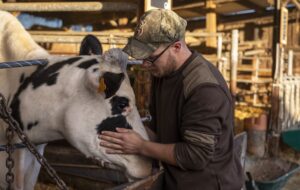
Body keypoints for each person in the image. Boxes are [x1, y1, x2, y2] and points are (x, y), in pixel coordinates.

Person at [99, 9, 244, 190]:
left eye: (150, 58)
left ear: (176, 47)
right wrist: (130, 125)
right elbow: (161, 130)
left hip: (208, 184)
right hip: (176, 180)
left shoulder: (204, 89)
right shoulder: (164, 73)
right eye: (142, 58)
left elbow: (195, 156)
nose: (144, 65)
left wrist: (141, 146)